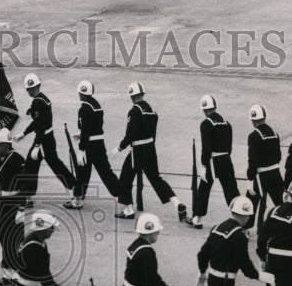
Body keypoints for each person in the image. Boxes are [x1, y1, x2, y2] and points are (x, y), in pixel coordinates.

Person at [114, 83, 188, 222]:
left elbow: (130, 134)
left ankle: (128, 210)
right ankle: (177, 203)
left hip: (138, 150)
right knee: (156, 179)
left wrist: (119, 147)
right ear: (142, 94)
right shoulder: (152, 111)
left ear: (133, 96)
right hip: (150, 149)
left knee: (125, 177)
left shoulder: (134, 111)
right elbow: (153, 134)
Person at [15, 73, 75, 195]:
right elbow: (38, 122)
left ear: (34, 88)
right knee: (52, 165)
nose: (28, 91)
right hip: (47, 137)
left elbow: (40, 125)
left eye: (29, 89)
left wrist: (37, 146)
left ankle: (27, 195)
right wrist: (24, 133)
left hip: (43, 140)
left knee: (36, 166)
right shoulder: (43, 98)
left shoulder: (37, 102)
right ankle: (75, 188)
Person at [64, 80, 119, 210]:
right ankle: (124, 195)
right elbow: (93, 127)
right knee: (106, 172)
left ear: (82, 94)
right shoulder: (97, 105)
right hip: (99, 144)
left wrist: (81, 148)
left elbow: (87, 129)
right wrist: (81, 133)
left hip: (89, 145)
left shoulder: (83, 108)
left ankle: (77, 200)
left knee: (82, 172)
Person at [190, 94, 239, 229]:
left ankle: (197, 219)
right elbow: (229, 147)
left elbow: (206, 147)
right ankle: (240, 220)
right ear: (215, 107)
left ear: (205, 110)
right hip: (226, 159)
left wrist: (204, 165)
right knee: (231, 190)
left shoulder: (206, 124)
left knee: (203, 190)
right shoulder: (227, 123)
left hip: (213, 160)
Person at [0, 127, 29, 280]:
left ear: (7, 145)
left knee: (12, 238)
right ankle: (9, 268)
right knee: (2, 235)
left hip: (12, 204)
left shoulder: (18, 160)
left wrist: (21, 208)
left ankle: (13, 270)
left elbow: (25, 185)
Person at [245, 103, 284, 231]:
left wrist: (250, 179)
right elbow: (279, 156)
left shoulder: (253, 136)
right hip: (275, 173)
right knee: (281, 204)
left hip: (261, 176)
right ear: (265, 117)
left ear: (252, 120)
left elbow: (252, 160)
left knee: (251, 203)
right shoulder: (275, 134)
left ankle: (246, 228)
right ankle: (287, 226)